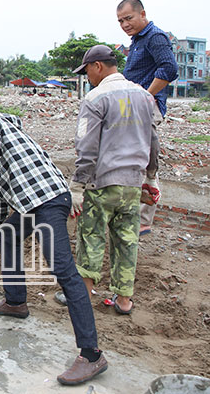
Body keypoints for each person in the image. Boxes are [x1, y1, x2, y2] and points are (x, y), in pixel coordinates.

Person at [0, 92, 107, 386]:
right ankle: (15, 302)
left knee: (64, 271)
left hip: (47, 202)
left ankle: (92, 355)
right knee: (9, 235)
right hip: (33, 203)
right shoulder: (10, 130)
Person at [71, 45, 161, 314]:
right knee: (127, 241)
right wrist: (151, 177)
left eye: (87, 70)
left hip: (102, 183)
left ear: (97, 66)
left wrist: (77, 184)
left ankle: (84, 295)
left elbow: (86, 147)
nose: (87, 77)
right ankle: (123, 300)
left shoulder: (96, 98)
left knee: (91, 238)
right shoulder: (145, 97)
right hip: (132, 184)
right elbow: (153, 141)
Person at [117, 0, 177, 235]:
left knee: (143, 162)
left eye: (128, 18)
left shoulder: (155, 37)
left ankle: (143, 219)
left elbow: (169, 69)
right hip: (133, 105)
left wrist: (146, 96)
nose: (124, 24)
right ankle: (132, 212)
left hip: (144, 107)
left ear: (143, 14)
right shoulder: (137, 41)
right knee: (131, 159)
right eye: (120, 20)